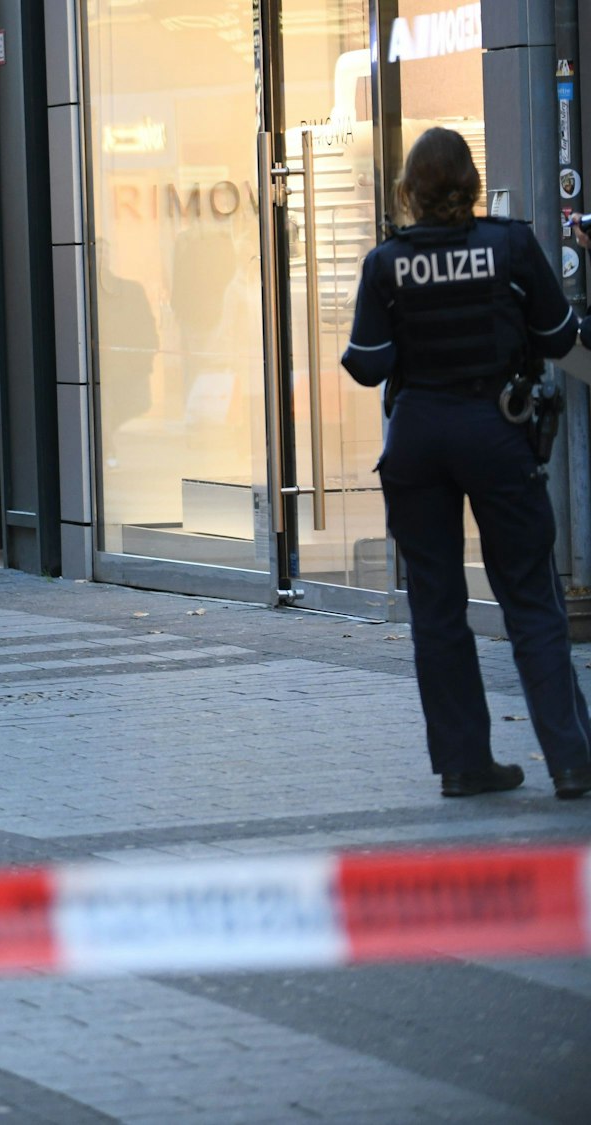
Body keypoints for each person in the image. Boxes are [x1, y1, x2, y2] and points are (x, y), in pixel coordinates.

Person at [340, 127, 591, 801]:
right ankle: (571, 761)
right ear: (473, 185)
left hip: (418, 437)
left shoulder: (387, 262)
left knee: (437, 602)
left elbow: (366, 365)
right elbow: (560, 336)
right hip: (495, 430)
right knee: (530, 597)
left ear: (409, 193)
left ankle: (463, 763)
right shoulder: (508, 245)